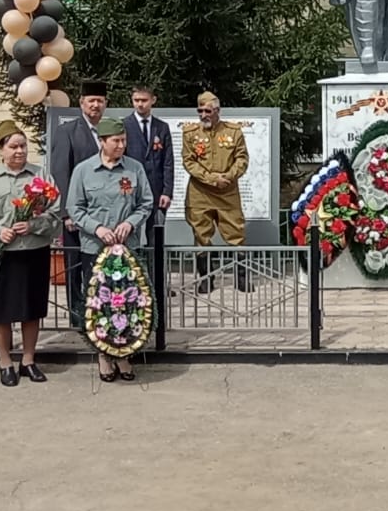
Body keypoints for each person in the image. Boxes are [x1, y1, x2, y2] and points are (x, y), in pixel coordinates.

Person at [0, 120, 61, 387]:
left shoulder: (41, 177)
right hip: (0, 254)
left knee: (31, 308)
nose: (19, 151)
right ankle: (5, 362)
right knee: (0, 311)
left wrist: (33, 225)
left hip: (33, 251)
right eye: (13, 147)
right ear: (1, 150)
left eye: (23, 146)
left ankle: (28, 360)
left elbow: (55, 214)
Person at [68, 117, 154, 382]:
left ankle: (124, 354)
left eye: (124, 140)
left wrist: (130, 223)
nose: (121, 145)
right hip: (95, 248)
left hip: (128, 248)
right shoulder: (84, 171)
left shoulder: (134, 168)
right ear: (102, 141)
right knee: (100, 303)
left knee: (128, 302)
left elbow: (146, 203)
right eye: (116, 141)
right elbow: (74, 208)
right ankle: (104, 356)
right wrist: (97, 228)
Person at [48, 79, 108, 328]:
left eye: (100, 101)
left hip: (104, 214)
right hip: (77, 213)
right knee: (75, 266)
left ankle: (101, 311)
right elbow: (60, 172)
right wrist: (67, 213)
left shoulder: (109, 131)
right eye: (91, 101)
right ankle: (77, 316)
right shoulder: (68, 132)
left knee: (101, 264)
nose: (95, 105)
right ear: (82, 103)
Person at [182, 91, 251, 293]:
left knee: (236, 234)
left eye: (208, 111)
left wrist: (228, 176)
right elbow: (189, 161)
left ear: (217, 111)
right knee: (201, 236)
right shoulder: (190, 133)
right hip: (200, 193)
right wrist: (212, 179)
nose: (203, 115)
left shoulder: (233, 132)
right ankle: (206, 279)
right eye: (200, 111)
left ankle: (241, 278)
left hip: (227, 192)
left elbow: (242, 158)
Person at [124, 83, 173, 244]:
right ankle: (133, 261)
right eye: (136, 100)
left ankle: (155, 262)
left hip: (156, 191)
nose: (140, 104)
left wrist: (167, 191)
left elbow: (168, 161)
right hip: (131, 190)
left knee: (156, 237)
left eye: (144, 100)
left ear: (153, 100)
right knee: (130, 234)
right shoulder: (124, 126)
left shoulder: (162, 127)